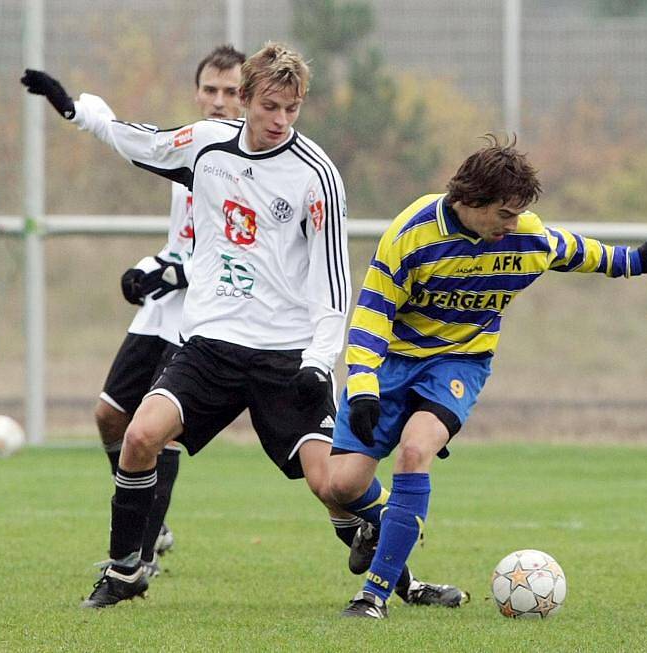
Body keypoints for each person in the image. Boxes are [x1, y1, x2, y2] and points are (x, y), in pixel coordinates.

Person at [23, 42, 462, 610]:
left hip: (284, 356)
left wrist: (317, 362)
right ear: (246, 100)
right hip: (208, 347)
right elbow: (138, 140)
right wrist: (78, 111)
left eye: (293, 109)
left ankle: (403, 579)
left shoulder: (317, 176)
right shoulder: (206, 147)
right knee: (138, 437)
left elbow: (332, 284)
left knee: (332, 487)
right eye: (271, 107)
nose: (281, 121)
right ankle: (126, 570)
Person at [328, 134, 647, 619]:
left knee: (414, 452)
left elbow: (575, 251)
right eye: (504, 214)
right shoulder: (412, 233)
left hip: (460, 362)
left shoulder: (524, 236)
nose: (515, 224)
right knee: (340, 486)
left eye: (518, 214)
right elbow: (371, 315)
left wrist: (635, 261)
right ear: (468, 201)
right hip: (392, 361)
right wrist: (364, 385)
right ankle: (390, 519)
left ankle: (373, 596)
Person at [24, 45, 245, 579]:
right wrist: (151, 267)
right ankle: (153, 527)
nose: (218, 102)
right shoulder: (190, 147)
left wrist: (172, 274)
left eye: (231, 92)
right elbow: (183, 237)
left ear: (249, 97)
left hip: (213, 312)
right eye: (210, 91)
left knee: (159, 431)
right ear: (197, 93)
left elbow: (241, 253)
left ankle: (140, 554)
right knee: (109, 416)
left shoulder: (249, 162)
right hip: (169, 303)